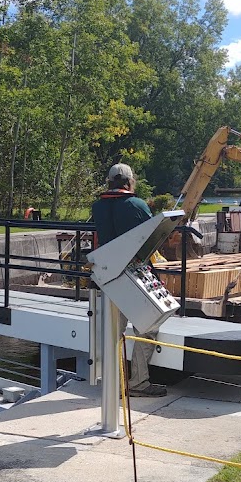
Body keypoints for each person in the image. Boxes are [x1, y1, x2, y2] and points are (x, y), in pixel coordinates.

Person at [91, 163, 167, 397]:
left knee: (114, 331)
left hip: (107, 276)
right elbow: (151, 237)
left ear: (109, 182)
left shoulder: (98, 207)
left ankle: (113, 380)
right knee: (148, 327)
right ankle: (139, 382)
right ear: (129, 182)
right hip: (134, 275)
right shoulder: (138, 205)